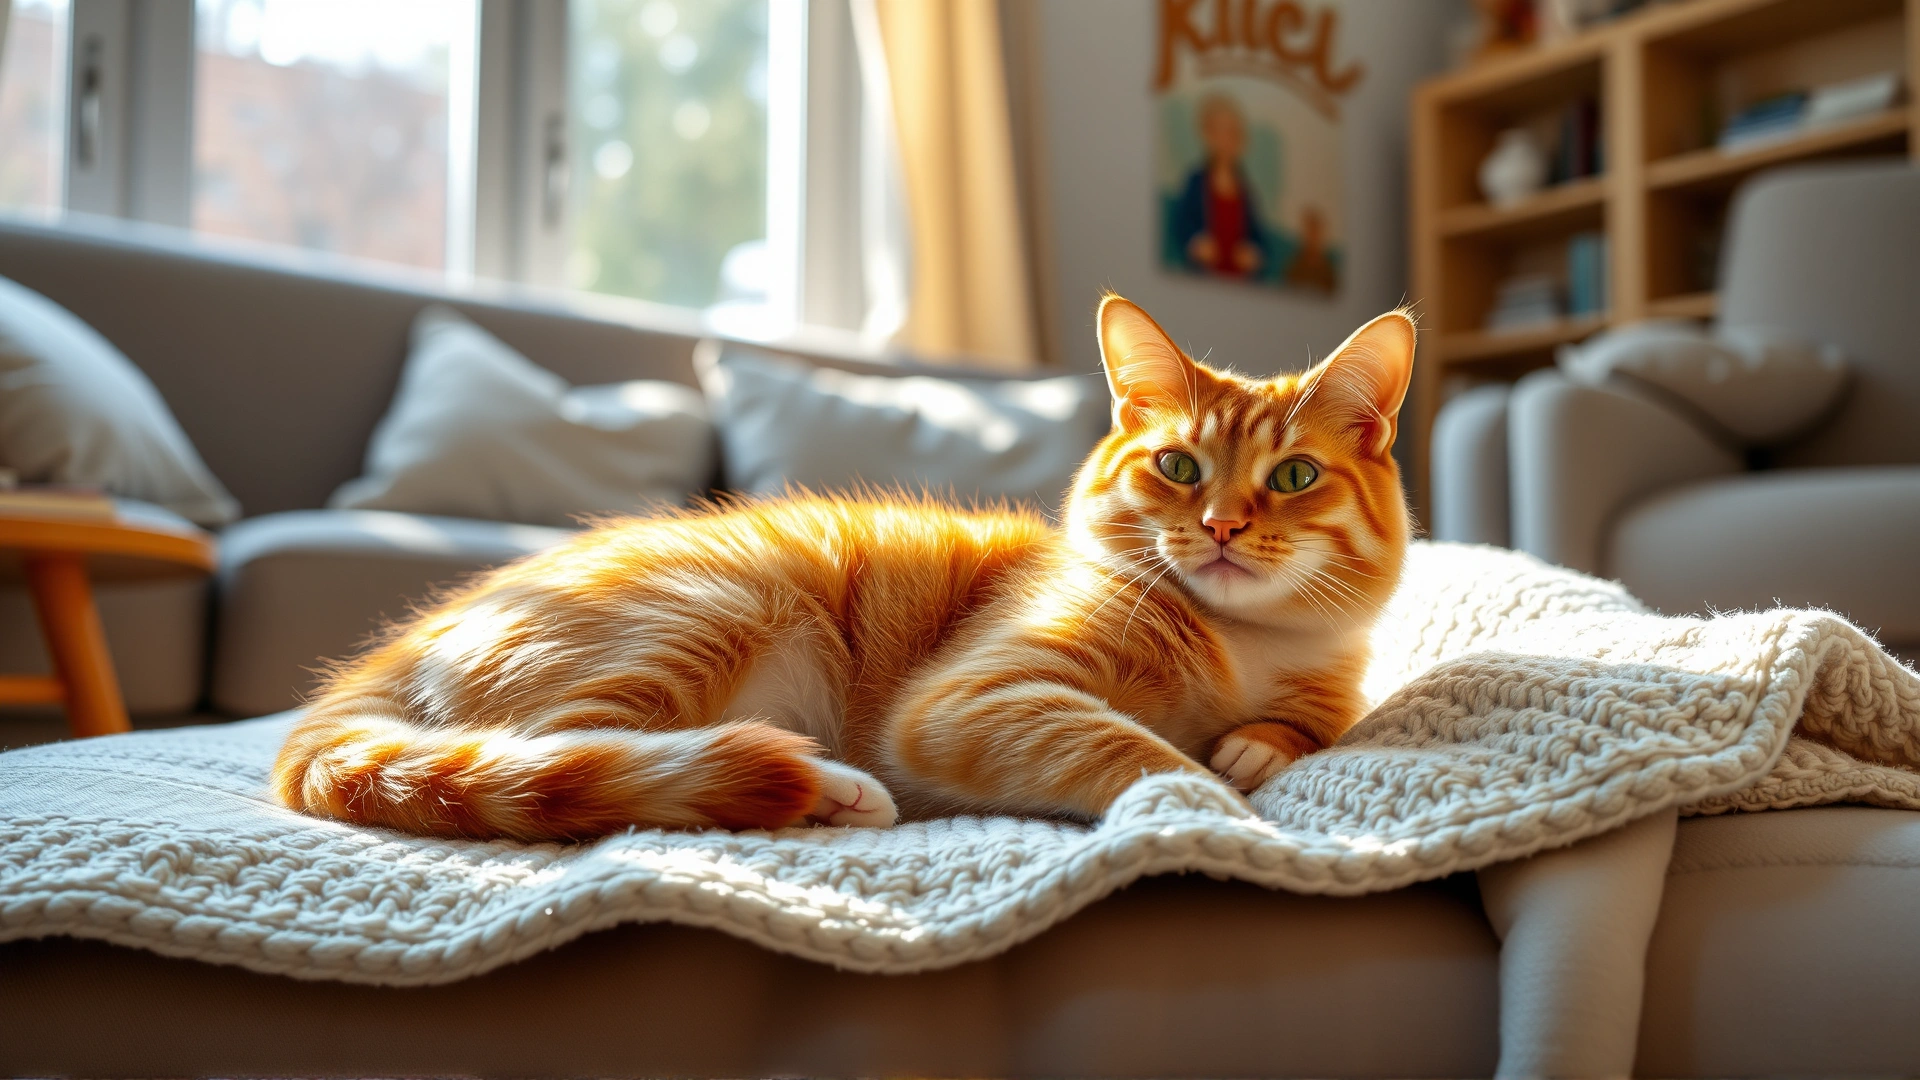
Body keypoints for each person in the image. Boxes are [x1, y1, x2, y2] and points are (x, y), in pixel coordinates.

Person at [1172, 93, 1270, 279]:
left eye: (1234, 133)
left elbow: (1258, 236)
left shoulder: (1245, 190)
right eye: (1221, 132)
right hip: (1203, 279)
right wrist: (1196, 243)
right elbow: (1181, 224)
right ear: (1208, 135)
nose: (1227, 141)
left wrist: (1254, 252)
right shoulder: (1196, 182)